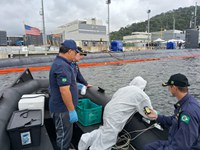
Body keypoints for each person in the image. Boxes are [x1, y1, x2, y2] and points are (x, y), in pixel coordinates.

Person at [78, 76, 153, 150]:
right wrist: (154, 117)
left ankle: (86, 139)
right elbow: (148, 112)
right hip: (116, 116)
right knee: (109, 138)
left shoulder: (123, 89)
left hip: (108, 111)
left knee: (105, 130)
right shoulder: (141, 95)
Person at [144, 73, 200, 150]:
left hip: (186, 147)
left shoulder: (187, 113)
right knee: (148, 147)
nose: (168, 89)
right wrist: (157, 116)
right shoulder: (185, 103)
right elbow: (174, 119)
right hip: (173, 141)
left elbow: (182, 146)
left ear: (174, 88)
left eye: (169, 87)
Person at [49, 39, 80, 150]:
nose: (76, 55)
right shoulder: (62, 66)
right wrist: (72, 110)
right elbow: (64, 90)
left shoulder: (61, 63)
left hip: (62, 108)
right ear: (70, 51)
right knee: (63, 136)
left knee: (65, 134)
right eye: (75, 52)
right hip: (62, 109)